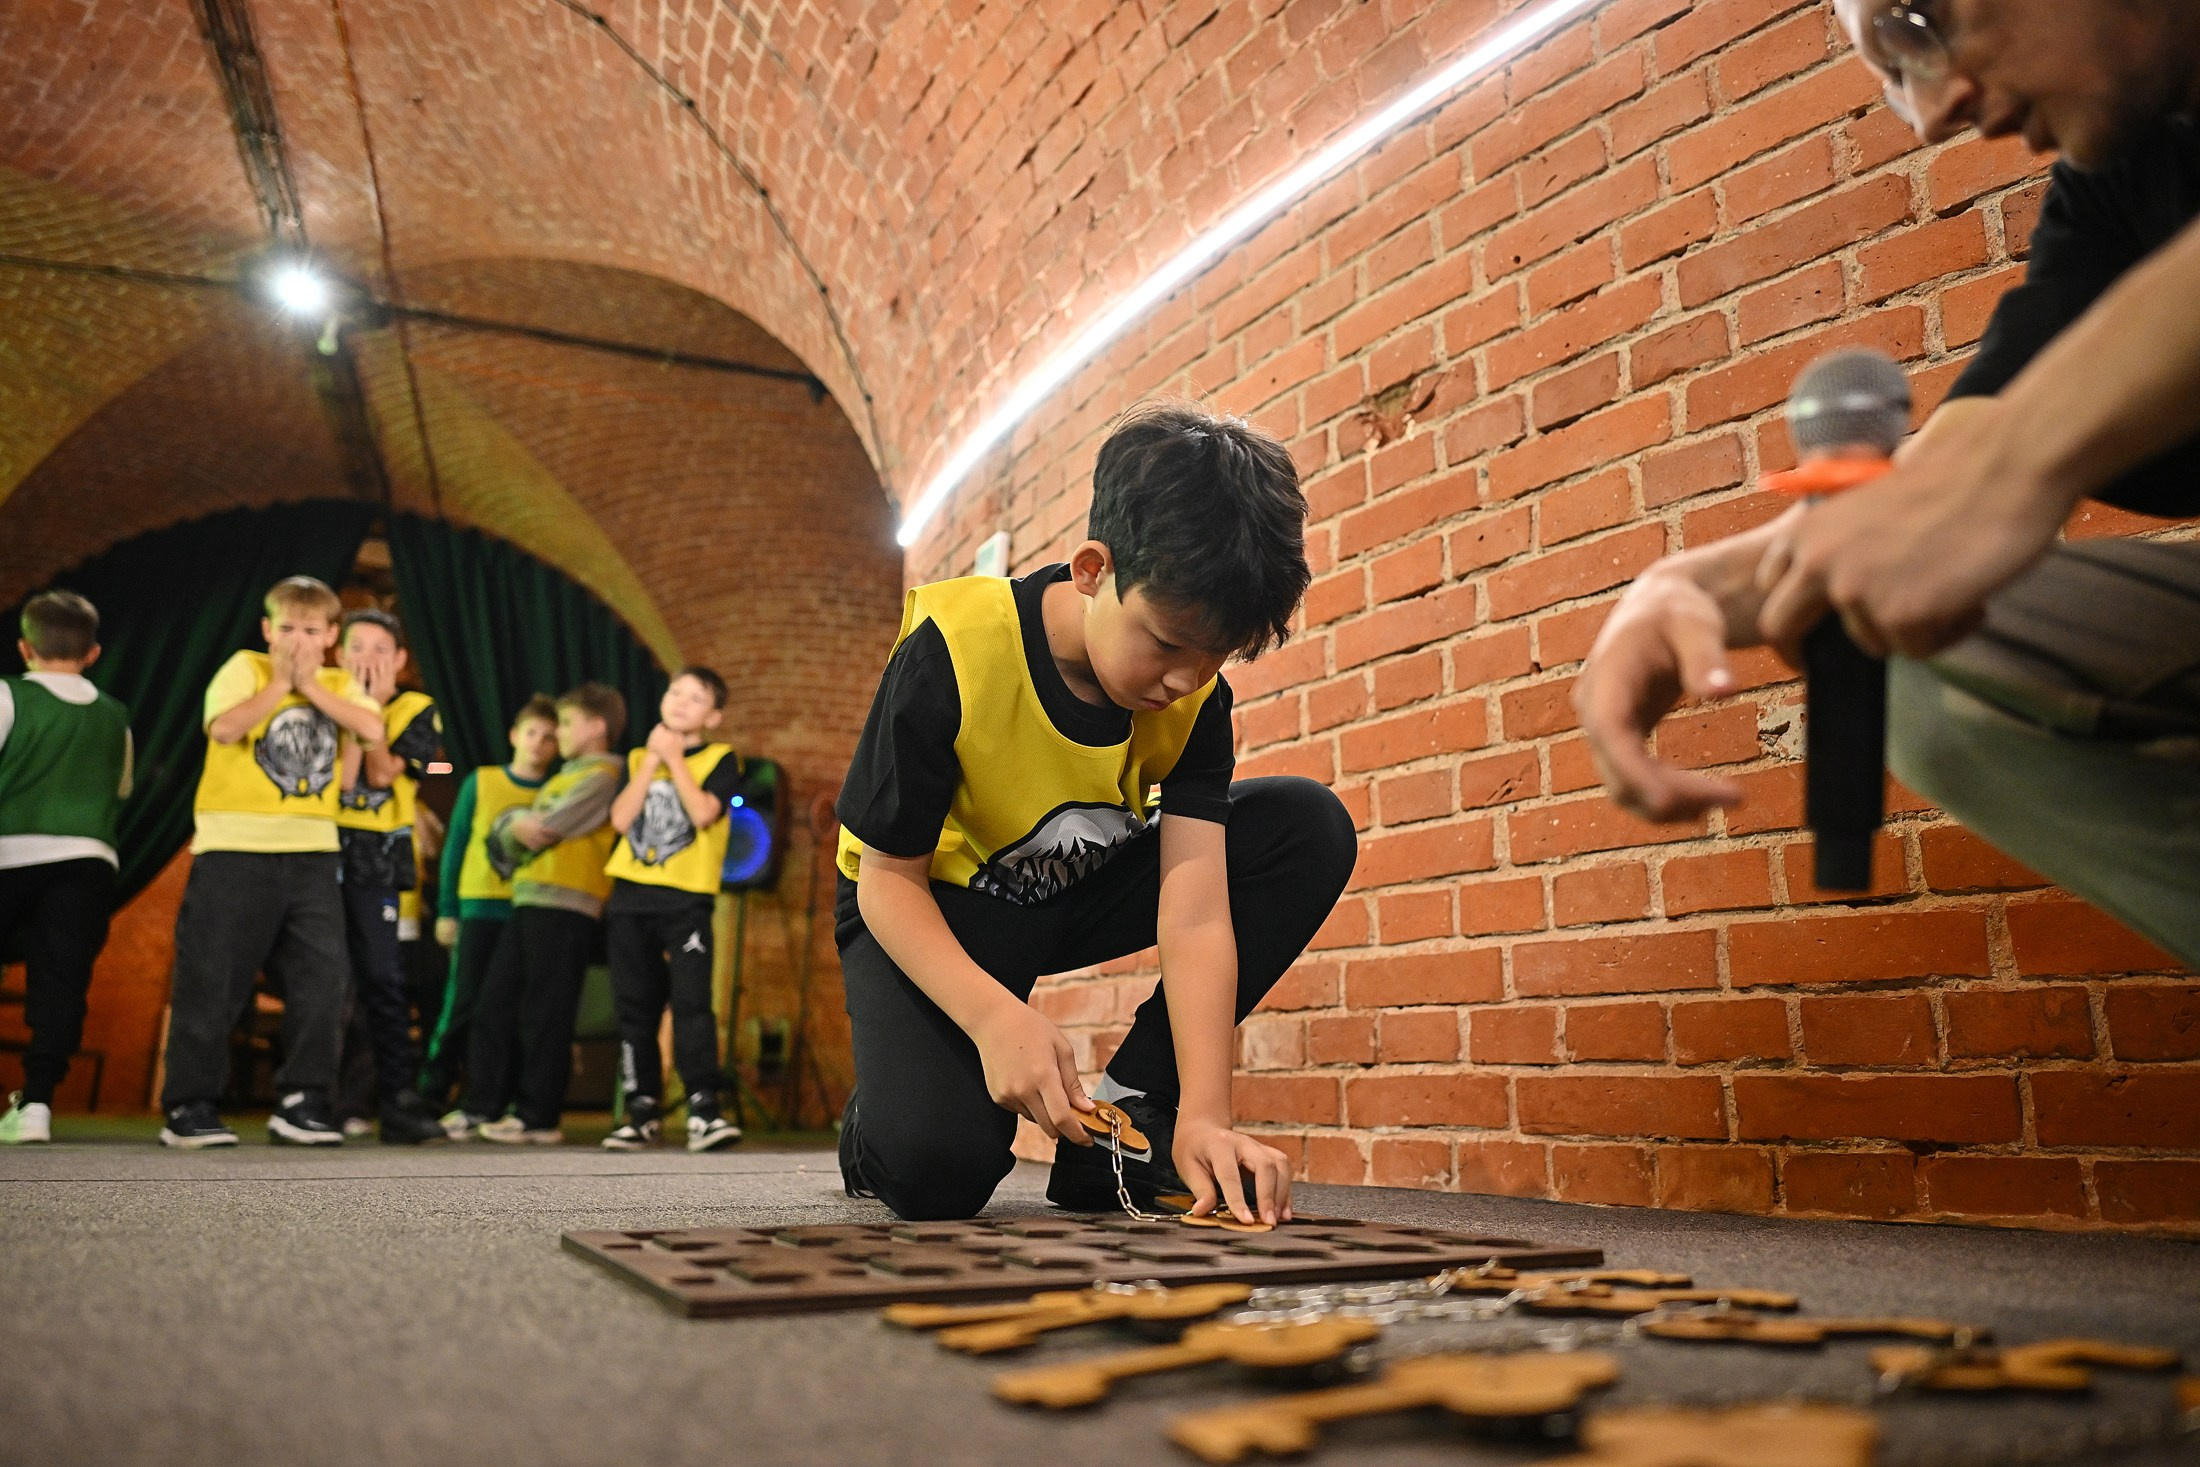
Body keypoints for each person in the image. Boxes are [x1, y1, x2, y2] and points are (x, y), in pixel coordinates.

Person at [1576, 0, 2200, 964]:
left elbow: (1999, 455)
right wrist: (1681, 589)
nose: (1930, 111)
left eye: (1920, 19)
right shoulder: (2114, 185)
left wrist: (2023, 451)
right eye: (1893, 69)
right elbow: (1943, 479)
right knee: (1899, 646)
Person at [833, 402, 1359, 1224]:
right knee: (936, 1172)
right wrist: (991, 1014)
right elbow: (884, 878)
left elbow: (1194, 913)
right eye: (1166, 642)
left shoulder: (1194, 700)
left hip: (1064, 894)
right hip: (925, 904)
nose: (1186, 680)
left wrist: (1205, 1115)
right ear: (1092, 569)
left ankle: (1132, 1118)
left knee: (1306, 825)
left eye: (1213, 658)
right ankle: (875, 1121)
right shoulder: (954, 650)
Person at [158, 576, 385, 1148]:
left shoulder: (337, 684)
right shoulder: (245, 668)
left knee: (323, 979)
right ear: (266, 630)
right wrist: (282, 681)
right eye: (286, 628)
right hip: (234, 846)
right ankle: (190, 1103)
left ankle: (304, 1099)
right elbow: (224, 727)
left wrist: (311, 687)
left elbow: (373, 729)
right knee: (214, 975)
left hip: (312, 851)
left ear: (331, 636)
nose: (298, 639)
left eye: (311, 630)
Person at [464, 684, 626, 1144]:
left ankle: (538, 1116)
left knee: (546, 1012)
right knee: (496, 1002)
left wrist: (514, 825)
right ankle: (485, 1104)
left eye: (569, 723)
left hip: (568, 903)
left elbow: (546, 829)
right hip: (530, 897)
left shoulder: (604, 775)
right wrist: (512, 823)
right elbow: (514, 832)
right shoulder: (566, 775)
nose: (560, 732)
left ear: (597, 727)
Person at [0, 593, 132, 1144]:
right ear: (94, 652)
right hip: (87, 859)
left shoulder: (7, 695)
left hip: (10, 854)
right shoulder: (115, 715)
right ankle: (37, 1104)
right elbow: (122, 788)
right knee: (60, 980)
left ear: (24, 646)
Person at [599, 667, 746, 1153]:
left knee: (690, 1004)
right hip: (630, 897)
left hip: (685, 900)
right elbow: (620, 820)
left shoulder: (723, 759)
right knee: (635, 1008)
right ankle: (640, 1107)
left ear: (714, 715)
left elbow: (704, 812)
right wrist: (650, 763)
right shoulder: (639, 756)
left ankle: (704, 1108)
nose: (681, 701)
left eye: (695, 697)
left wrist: (675, 760)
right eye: (674, 692)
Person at [329, 609, 446, 1145]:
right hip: (316, 845)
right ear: (337, 651)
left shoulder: (418, 710)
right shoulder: (319, 696)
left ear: (400, 659)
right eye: (357, 647)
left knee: (382, 979)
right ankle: (315, 1097)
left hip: (379, 853)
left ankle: (395, 1100)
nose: (367, 660)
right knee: (322, 981)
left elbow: (382, 773)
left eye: (381, 649)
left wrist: (368, 711)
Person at [418, 697, 557, 1134]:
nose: (539, 743)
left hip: (526, 912)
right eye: (532, 732)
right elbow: (456, 845)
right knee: (461, 1005)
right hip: (478, 907)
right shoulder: (483, 781)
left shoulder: (555, 792)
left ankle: (494, 1099)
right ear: (515, 735)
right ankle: (430, 1095)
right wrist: (447, 910)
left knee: (507, 1012)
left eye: (550, 736)